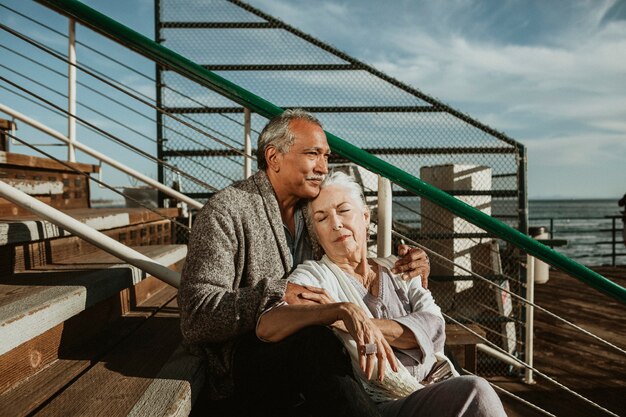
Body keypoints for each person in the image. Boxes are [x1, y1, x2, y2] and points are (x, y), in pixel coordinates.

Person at [178, 109, 431, 416]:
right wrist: (275, 293)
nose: (323, 168)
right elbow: (196, 316)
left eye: (326, 156)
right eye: (313, 154)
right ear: (274, 158)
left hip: (320, 361)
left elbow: (351, 254)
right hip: (244, 364)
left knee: (440, 363)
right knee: (315, 340)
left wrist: (407, 263)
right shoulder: (226, 211)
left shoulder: (312, 210)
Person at [257, 171, 508, 417]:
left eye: (344, 211)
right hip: (381, 402)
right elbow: (267, 324)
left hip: (432, 387)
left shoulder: (400, 267)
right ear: (316, 235)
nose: (335, 223)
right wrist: (338, 311)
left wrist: (360, 323)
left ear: (365, 218)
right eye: (322, 218)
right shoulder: (316, 276)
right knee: (476, 390)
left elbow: (433, 328)